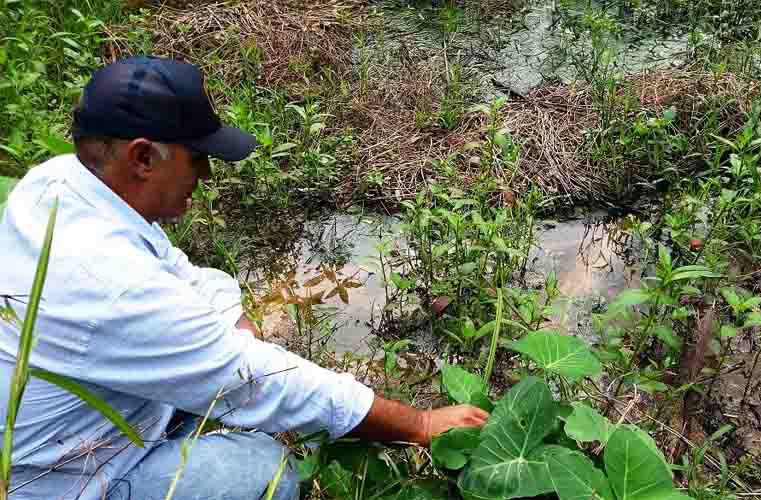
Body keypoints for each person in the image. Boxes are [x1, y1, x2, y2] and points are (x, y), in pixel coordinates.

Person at [0, 57, 488, 500]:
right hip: (62, 479)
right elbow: (262, 382)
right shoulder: (107, 281)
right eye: (197, 158)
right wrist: (420, 423)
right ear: (143, 158)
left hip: (92, 418)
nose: (206, 176)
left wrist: (231, 329)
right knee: (261, 471)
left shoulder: (60, 183)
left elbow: (178, 271)